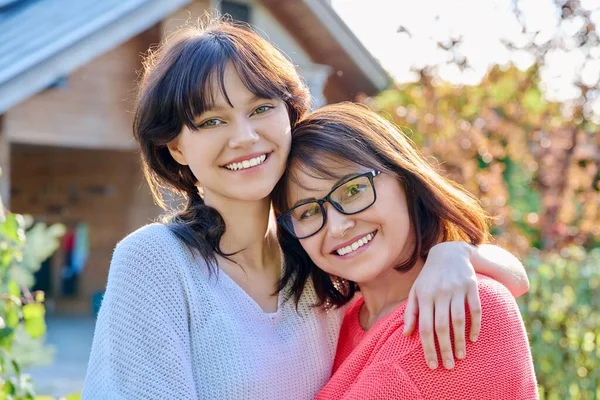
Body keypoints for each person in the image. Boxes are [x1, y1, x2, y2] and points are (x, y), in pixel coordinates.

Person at [82, 19, 529, 399]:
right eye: (212, 120)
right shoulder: (157, 262)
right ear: (176, 146)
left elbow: (495, 293)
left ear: (289, 114)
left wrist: (456, 254)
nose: (244, 137)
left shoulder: (321, 265)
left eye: (260, 108)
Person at [272, 103, 538, 399]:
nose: (336, 226)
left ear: (404, 179)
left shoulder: (456, 310)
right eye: (307, 212)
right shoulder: (339, 322)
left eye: (353, 190)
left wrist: (460, 252)